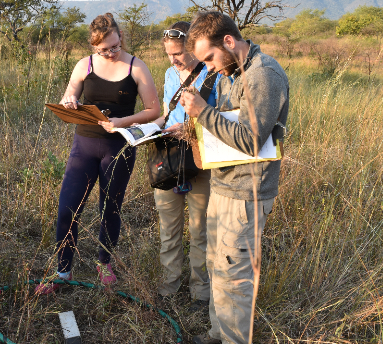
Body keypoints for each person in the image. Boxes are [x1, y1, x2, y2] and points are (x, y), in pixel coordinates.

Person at [179, 12, 289, 344]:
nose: (209, 66)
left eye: (209, 58)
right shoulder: (231, 72)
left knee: (235, 277)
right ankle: (219, 334)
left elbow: (252, 140)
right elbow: (226, 128)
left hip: (247, 193)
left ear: (228, 41)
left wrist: (202, 111)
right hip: (224, 185)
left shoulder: (263, 75)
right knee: (218, 268)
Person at [36, 13, 160, 294]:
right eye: (104, 50)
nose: (111, 53)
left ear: (121, 38)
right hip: (84, 144)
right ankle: (63, 271)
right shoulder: (84, 65)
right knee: (67, 208)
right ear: (94, 48)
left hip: (119, 147)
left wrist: (120, 122)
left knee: (110, 208)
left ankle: (104, 263)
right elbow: (70, 94)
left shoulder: (137, 67)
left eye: (115, 46)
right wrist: (69, 101)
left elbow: (154, 110)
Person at [151, 21, 221, 312]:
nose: (173, 59)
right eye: (169, 53)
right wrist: (149, 129)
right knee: (168, 227)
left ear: (194, 46)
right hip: (169, 157)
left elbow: (222, 121)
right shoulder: (169, 74)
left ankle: (200, 293)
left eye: (178, 53)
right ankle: (169, 288)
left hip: (199, 159)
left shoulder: (214, 75)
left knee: (200, 229)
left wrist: (192, 129)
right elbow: (167, 112)